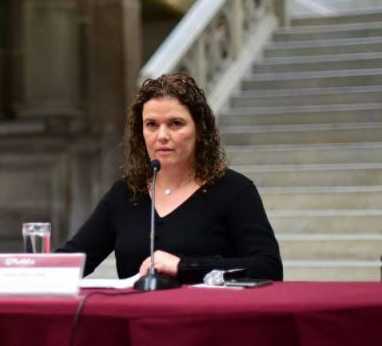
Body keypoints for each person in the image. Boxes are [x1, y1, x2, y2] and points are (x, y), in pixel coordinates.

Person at [59, 73, 282, 283]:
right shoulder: (126, 193)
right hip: (138, 319)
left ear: (200, 129)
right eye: (152, 125)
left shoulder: (234, 190)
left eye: (175, 123)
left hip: (207, 319)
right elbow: (73, 260)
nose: (162, 136)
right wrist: (28, 267)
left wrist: (185, 266)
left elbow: (268, 267)